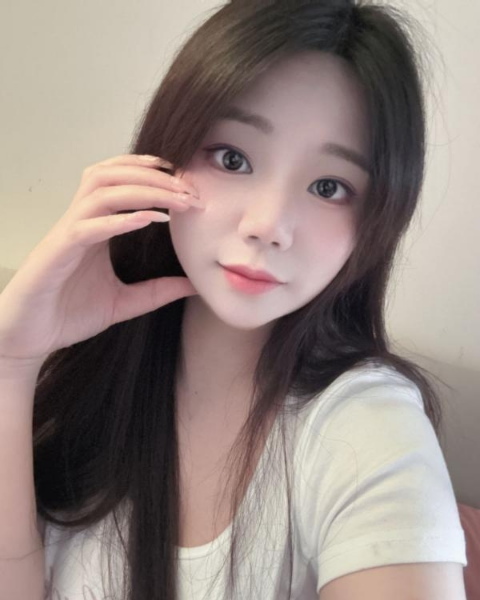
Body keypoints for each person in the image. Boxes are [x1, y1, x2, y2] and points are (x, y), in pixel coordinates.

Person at [0, 1, 468, 599]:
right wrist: (12, 361)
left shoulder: (367, 425)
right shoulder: (90, 376)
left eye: (329, 187)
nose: (268, 225)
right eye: (233, 158)